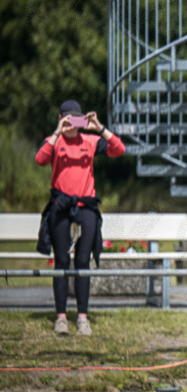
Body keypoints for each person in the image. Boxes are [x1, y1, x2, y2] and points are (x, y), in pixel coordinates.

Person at [35, 100, 126, 336]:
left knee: (83, 261)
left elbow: (119, 150)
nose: (73, 124)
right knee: (62, 262)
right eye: (68, 119)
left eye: (77, 119)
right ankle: (61, 317)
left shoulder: (91, 141)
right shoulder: (54, 141)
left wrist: (99, 127)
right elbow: (40, 159)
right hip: (61, 205)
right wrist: (58, 132)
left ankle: (83, 317)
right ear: (61, 118)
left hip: (86, 205)